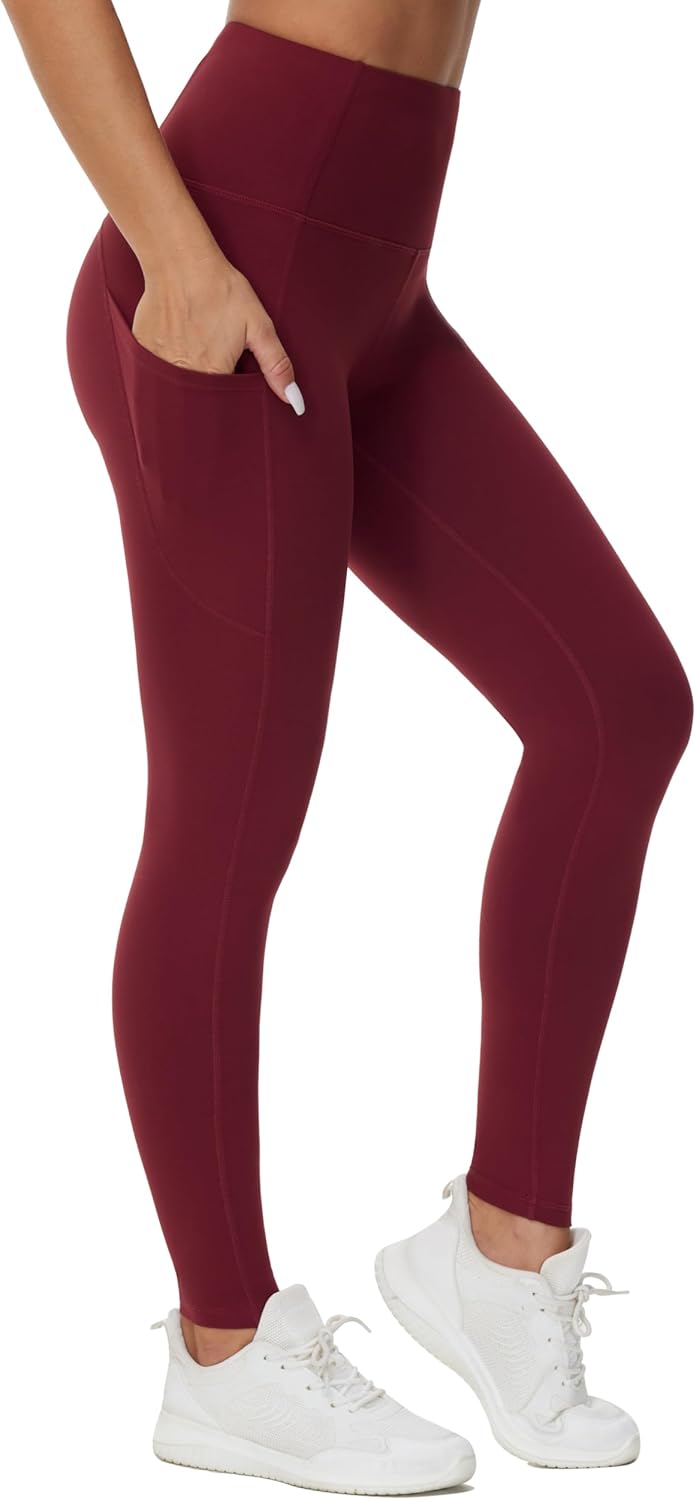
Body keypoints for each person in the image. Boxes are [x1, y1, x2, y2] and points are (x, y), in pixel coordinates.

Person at [4, 0, 691, 1483]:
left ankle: (501, 1253)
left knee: (619, 708)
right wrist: (180, 264)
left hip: (376, 286)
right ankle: (224, 1348)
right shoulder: (200, 272)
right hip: (224, 272)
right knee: (229, 822)